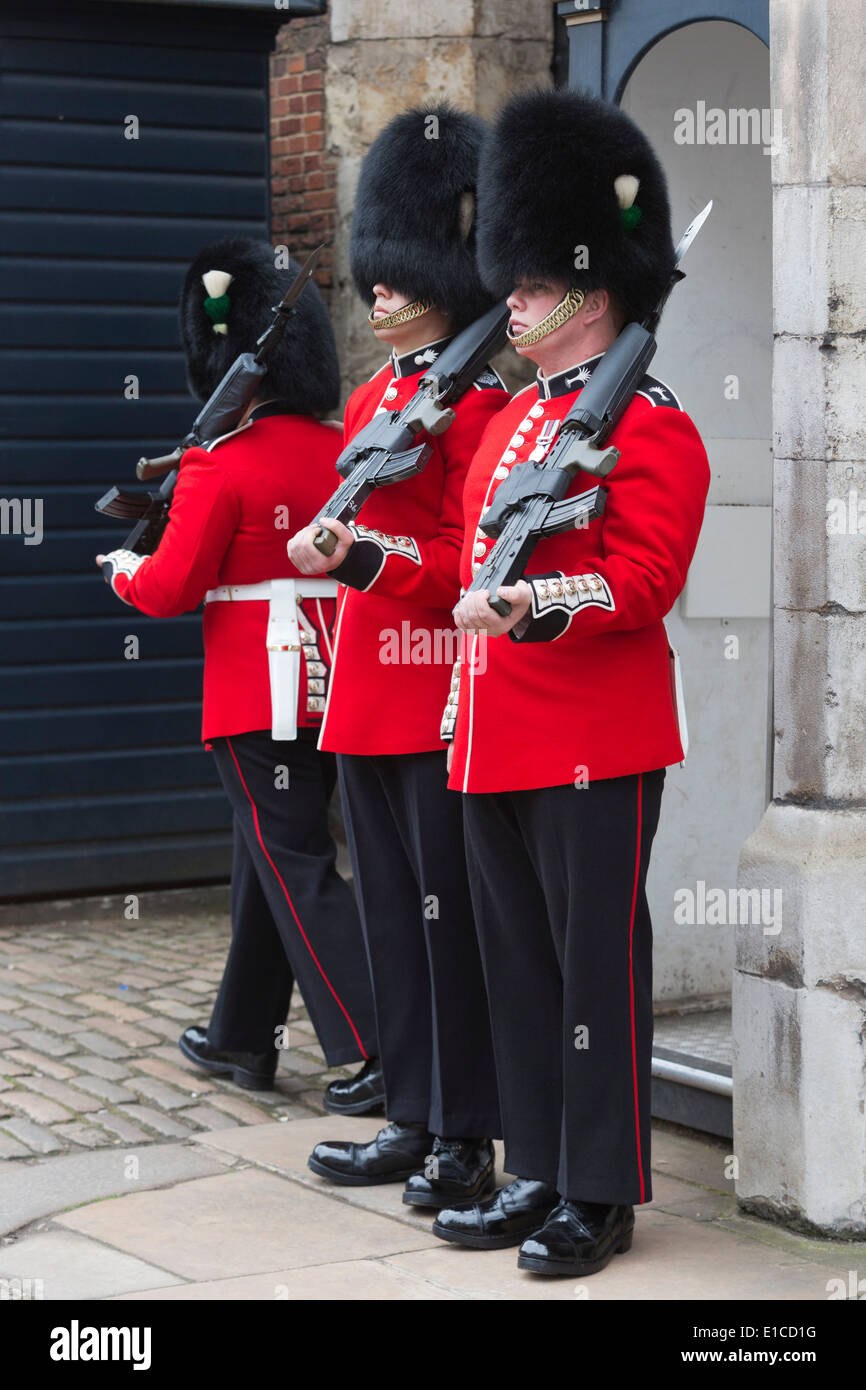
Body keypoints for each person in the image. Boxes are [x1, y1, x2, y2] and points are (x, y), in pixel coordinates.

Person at [435, 88, 711, 1274]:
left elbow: (642, 579)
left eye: (533, 286)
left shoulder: (653, 425)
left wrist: (538, 602)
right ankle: (537, 1162)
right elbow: (462, 554)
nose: (513, 301)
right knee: (517, 968)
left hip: (595, 735)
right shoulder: (504, 428)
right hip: (496, 731)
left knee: (592, 967)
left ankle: (599, 1191)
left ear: (590, 293)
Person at [96, 238, 381, 1112]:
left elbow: (173, 586)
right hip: (334, 677)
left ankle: (376, 1043)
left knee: (292, 859)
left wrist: (119, 567)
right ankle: (241, 1040)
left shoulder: (222, 461)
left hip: (256, 690)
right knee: (268, 853)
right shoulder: (340, 447)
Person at [287, 106, 508, 1209]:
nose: (377, 290)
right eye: (372, 273)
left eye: (399, 271)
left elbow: (461, 558)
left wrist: (364, 557)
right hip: (369, 694)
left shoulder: (481, 400)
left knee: (449, 925)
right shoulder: (375, 397)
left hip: (436, 695)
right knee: (390, 923)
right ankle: (409, 1112)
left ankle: (464, 1133)